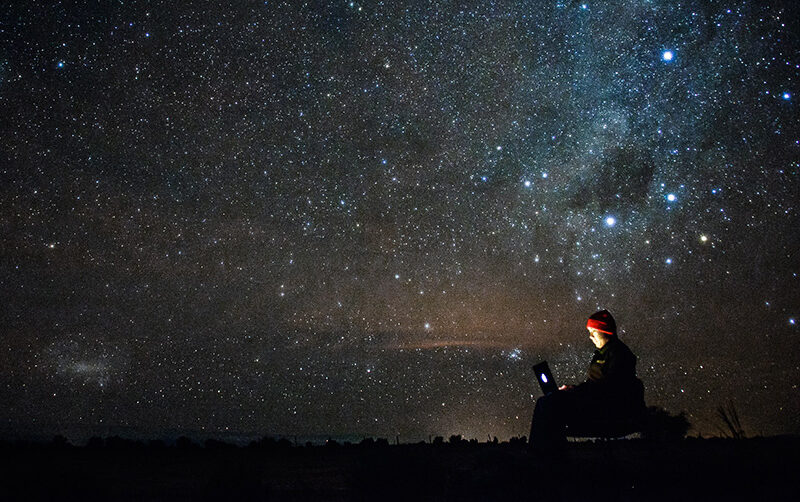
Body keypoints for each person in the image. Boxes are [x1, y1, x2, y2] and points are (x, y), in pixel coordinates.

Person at [529, 309, 645, 451]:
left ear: (605, 331)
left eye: (593, 331)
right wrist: (573, 389)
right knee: (547, 401)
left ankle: (544, 455)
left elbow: (609, 387)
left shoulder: (620, 354)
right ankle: (547, 453)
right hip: (594, 402)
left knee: (548, 404)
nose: (590, 336)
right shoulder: (602, 353)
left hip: (605, 408)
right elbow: (595, 385)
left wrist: (576, 392)